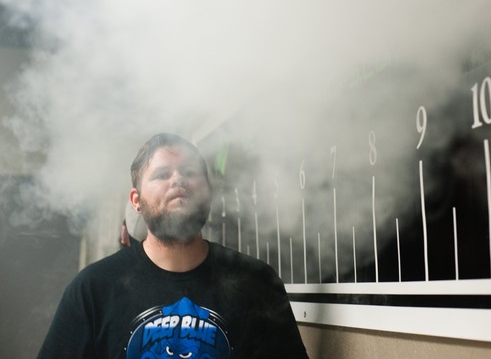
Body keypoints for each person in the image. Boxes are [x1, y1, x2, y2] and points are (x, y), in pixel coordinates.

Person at [37, 133, 308, 358]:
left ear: (208, 194)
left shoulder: (257, 282)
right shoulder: (93, 289)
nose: (178, 180)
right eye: (162, 174)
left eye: (189, 172)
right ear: (136, 200)